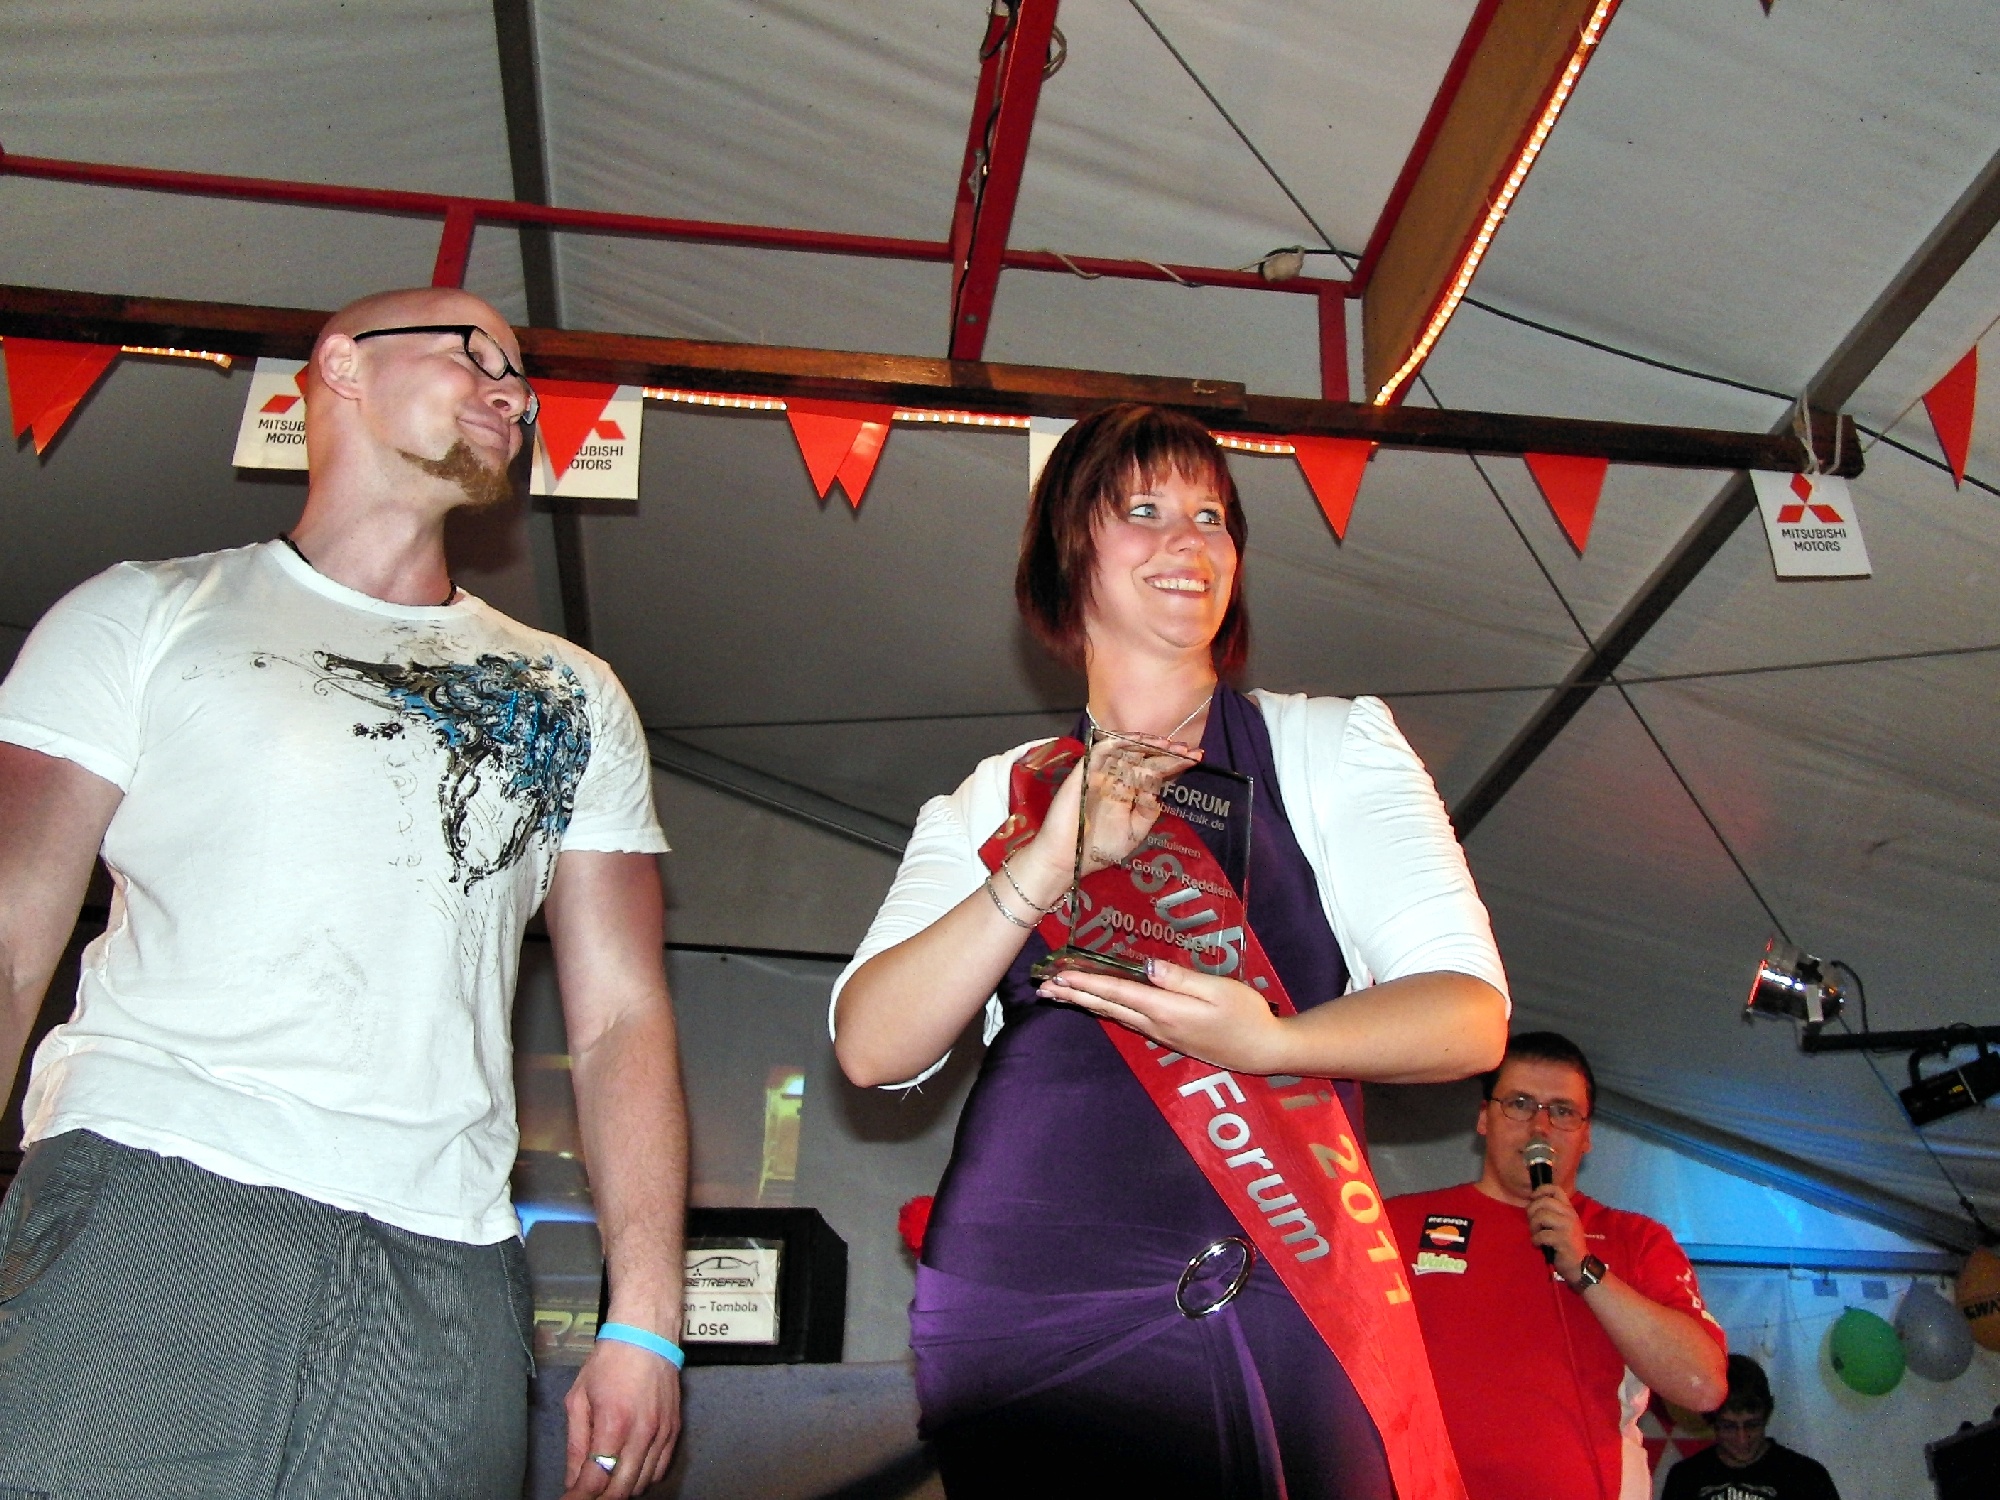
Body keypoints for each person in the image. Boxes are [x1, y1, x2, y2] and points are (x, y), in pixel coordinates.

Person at [0, 288, 686, 1500]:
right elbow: (12, 933)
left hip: (445, 1253)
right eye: (476, 353)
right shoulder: (144, 613)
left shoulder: (573, 692)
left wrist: (646, 1322)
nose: (512, 392)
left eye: (521, 379)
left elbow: (622, 1017)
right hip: (159, 1184)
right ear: (339, 365)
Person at [831, 404, 1511, 1498]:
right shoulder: (993, 797)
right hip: (1026, 1301)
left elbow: (1469, 1016)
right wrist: (1045, 861)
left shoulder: (1325, 745)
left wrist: (1274, 1043)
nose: (1188, 541)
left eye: (1212, 517)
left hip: (1274, 1280)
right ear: (1069, 553)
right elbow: (871, 1047)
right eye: (1143, 511)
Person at [1385, 1032, 1728, 1500]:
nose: (1540, 1127)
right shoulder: (1397, 1223)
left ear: (1587, 1136)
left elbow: (1702, 1387)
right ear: (1484, 1117)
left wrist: (1585, 1268)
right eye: (1520, 1104)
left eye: (1563, 1111)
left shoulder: (1636, 1239)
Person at [1662, 1355, 1840, 1500]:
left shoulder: (1806, 1477)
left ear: (1766, 1415)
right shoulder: (1685, 1478)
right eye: (1729, 1427)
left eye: (1752, 1425)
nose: (1742, 1438)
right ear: (1712, 1420)